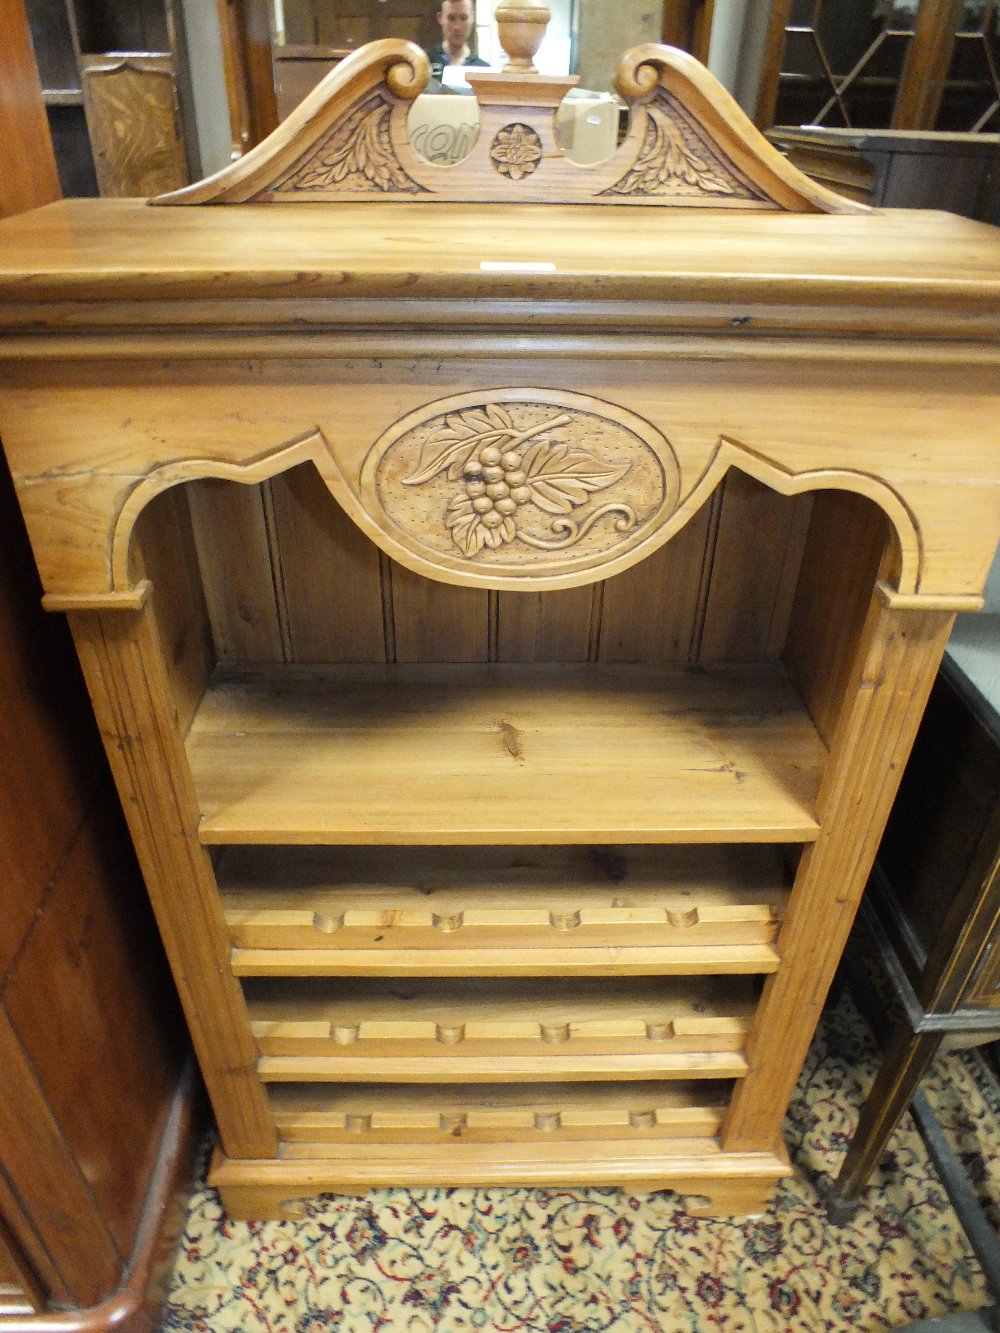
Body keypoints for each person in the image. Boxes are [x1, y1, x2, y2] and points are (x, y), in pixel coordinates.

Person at [425, 0, 489, 82]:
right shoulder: (424, 64)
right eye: (451, 18)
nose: (457, 26)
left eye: (463, 18)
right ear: (440, 18)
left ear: (473, 17)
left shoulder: (483, 70)